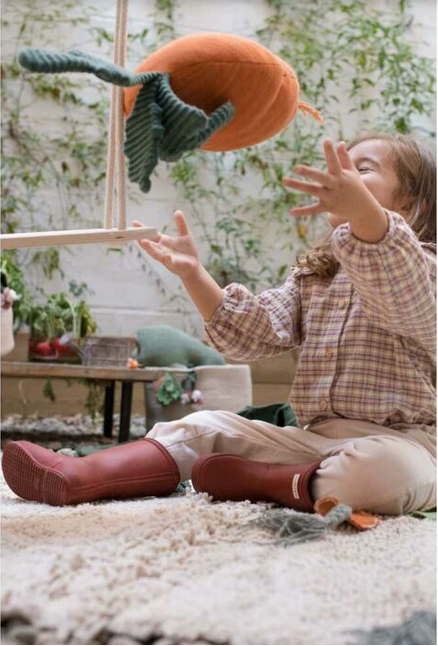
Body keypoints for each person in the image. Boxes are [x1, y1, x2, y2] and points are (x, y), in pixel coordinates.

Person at [2, 134, 436, 516]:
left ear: (411, 202)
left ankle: (257, 480)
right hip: (310, 442)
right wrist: (195, 275)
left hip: (405, 444)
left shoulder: (425, 270)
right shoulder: (315, 278)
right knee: (202, 426)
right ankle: (80, 475)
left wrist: (365, 214)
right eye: (340, 167)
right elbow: (253, 333)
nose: (343, 176)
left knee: (388, 474)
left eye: (362, 169)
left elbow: (402, 290)